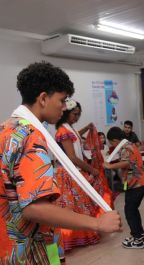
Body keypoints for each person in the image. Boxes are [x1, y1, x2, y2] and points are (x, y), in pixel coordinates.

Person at [0, 61, 122, 264]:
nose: (64, 107)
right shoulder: (31, 136)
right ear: (43, 98)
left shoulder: (2, 129)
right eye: (62, 100)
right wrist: (97, 223)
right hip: (25, 250)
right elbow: (34, 208)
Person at [55, 99, 112, 251]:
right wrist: (91, 169)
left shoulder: (68, 129)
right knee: (74, 207)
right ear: (66, 113)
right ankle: (72, 237)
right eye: (75, 114)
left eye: (79, 115)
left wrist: (86, 128)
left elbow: (74, 137)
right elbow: (72, 157)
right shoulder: (63, 131)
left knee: (80, 206)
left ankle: (80, 235)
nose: (77, 117)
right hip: (69, 173)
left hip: (74, 171)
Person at [103, 127, 144, 249]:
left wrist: (110, 166)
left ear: (116, 140)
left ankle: (138, 240)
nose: (111, 145)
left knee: (130, 211)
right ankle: (138, 235)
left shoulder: (126, 147)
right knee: (132, 210)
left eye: (111, 142)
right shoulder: (128, 145)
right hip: (136, 183)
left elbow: (127, 162)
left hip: (136, 184)